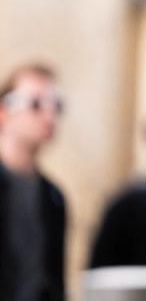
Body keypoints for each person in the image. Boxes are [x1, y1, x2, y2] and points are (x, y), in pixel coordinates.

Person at [0, 63, 67, 301]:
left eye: (57, 106)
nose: (50, 116)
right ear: (4, 112)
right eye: (36, 104)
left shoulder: (54, 197)